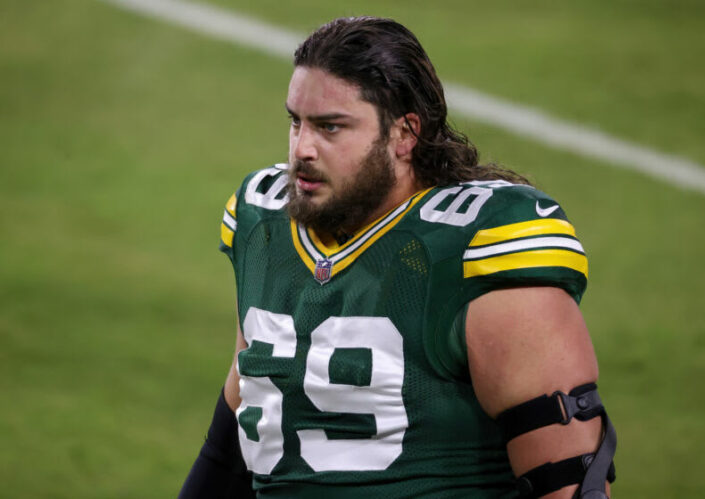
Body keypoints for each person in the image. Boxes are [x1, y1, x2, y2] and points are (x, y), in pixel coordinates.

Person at [180, 16, 615, 499]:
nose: (302, 148)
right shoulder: (265, 228)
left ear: (404, 134)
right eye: (295, 122)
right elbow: (238, 429)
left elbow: (571, 483)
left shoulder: (478, 247)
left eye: (330, 127)